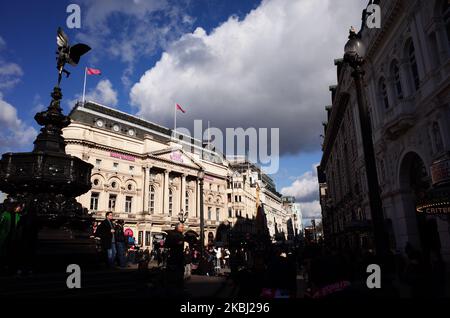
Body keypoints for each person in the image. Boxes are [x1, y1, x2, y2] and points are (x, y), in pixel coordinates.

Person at [0, 198, 24, 274]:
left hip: (13, 238)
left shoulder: (17, 215)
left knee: (12, 253)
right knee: (4, 253)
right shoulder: (4, 215)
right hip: (5, 238)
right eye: (11, 205)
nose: (14, 207)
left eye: (14, 205)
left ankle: (10, 267)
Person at [165, 223, 186, 289]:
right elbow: (167, 244)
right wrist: (177, 243)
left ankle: (180, 286)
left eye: (183, 227)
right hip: (174, 256)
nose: (183, 228)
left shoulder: (181, 235)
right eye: (181, 227)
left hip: (180, 256)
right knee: (174, 272)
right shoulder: (172, 234)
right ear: (177, 227)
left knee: (180, 271)